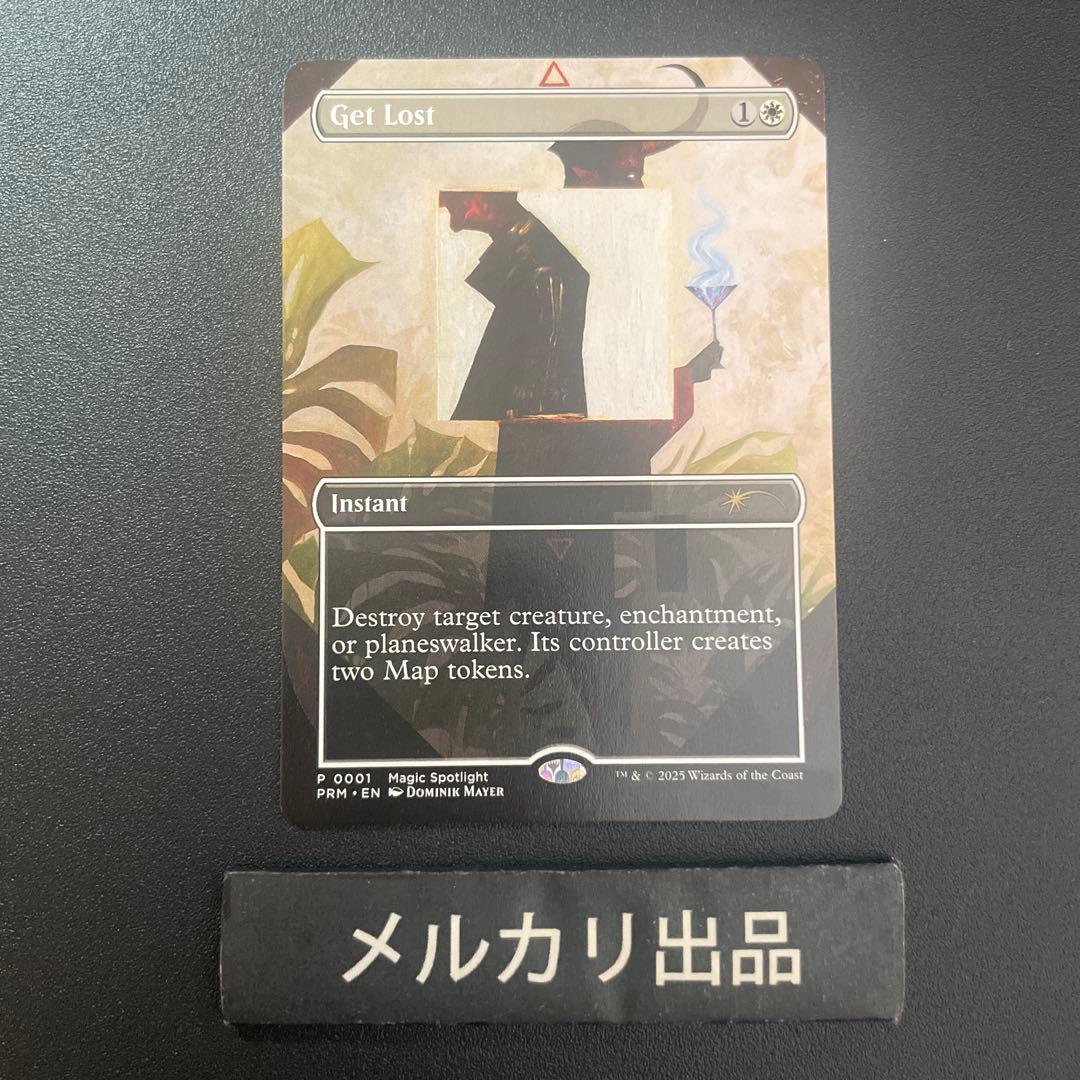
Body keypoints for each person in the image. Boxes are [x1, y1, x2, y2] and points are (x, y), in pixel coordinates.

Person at [439, 191, 589, 420]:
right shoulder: (534, 269)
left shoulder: (547, 275)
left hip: (527, 431)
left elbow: (544, 413)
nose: (442, 200)